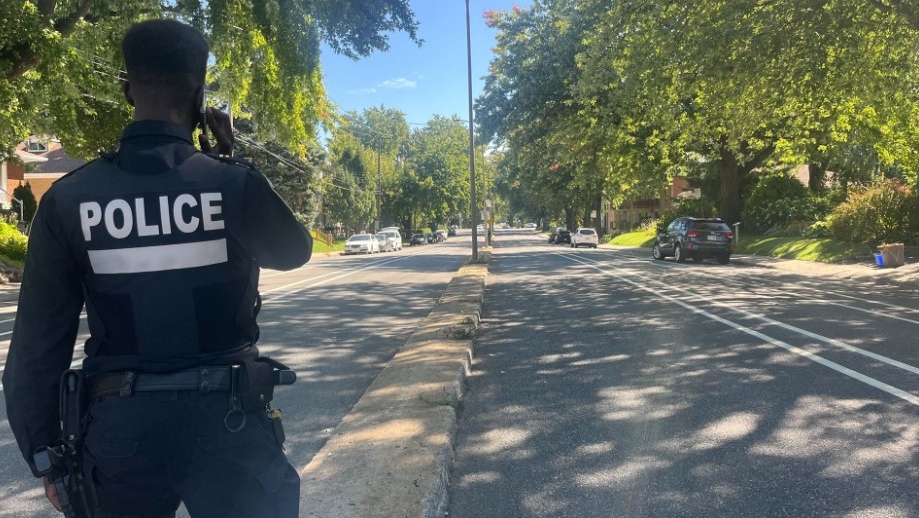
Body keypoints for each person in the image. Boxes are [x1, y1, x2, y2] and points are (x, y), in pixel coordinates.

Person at [2, 19, 311, 517]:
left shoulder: (69, 199)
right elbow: (292, 251)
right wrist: (228, 161)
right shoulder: (231, 186)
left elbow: (38, 345)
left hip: (121, 436)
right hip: (228, 424)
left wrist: (47, 458)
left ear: (127, 91)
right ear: (199, 95)